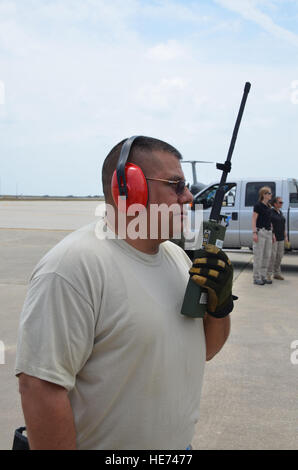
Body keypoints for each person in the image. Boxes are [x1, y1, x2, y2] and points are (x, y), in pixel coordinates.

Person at [15, 136, 235, 450]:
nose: (188, 197)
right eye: (176, 185)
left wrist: (221, 306)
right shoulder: (73, 267)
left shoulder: (178, 260)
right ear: (130, 189)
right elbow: (40, 386)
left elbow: (205, 350)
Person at [252, 186, 274, 285]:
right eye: (269, 193)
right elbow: (254, 219)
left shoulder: (269, 206)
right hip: (260, 232)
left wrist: (272, 233)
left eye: (270, 193)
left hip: (268, 232)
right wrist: (254, 233)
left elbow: (270, 221)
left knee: (267, 255)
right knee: (258, 256)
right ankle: (256, 277)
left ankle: (263, 276)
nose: (271, 195)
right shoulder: (258, 206)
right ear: (264, 194)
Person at [267, 196, 288, 281]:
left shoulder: (280, 212)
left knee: (279, 256)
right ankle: (268, 274)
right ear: (275, 204)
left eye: (282, 202)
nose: (281, 204)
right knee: (272, 256)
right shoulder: (271, 212)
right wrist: (272, 234)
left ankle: (277, 273)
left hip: (281, 237)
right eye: (280, 202)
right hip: (274, 238)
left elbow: (283, 226)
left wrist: (285, 236)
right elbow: (269, 224)